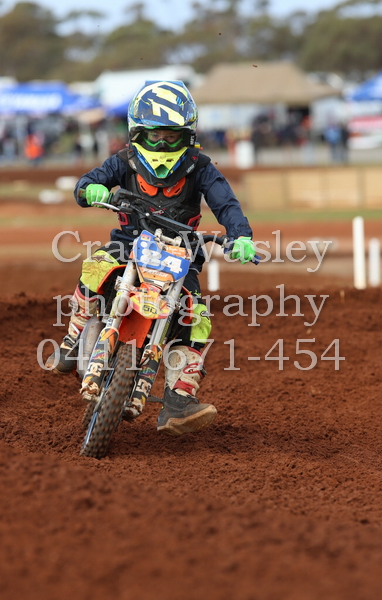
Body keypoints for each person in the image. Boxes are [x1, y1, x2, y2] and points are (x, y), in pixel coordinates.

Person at [46, 80, 256, 436]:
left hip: (182, 255)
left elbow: (227, 205)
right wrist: (89, 189)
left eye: (171, 137)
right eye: (155, 136)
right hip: (128, 243)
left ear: (187, 136)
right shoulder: (124, 160)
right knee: (95, 267)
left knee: (197, 318)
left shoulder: (201, 167)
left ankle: (178, 401)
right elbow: (87, 183)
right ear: (137, 133)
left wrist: (241, 236)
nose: (162, 145)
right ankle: (72, 340)